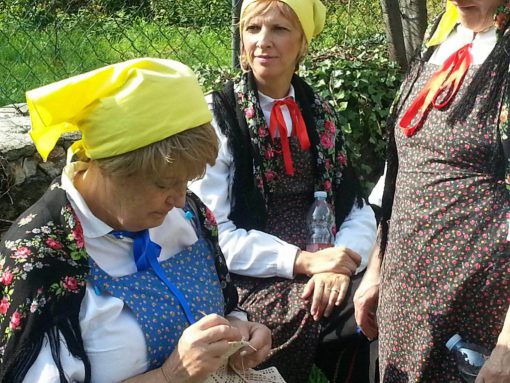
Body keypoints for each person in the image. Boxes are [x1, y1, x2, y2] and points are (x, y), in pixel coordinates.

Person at [0, 58, 272, 383]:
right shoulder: (41, 258)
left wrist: (239, 326)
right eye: (163, 183)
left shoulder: (188, 215)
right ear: (110, 167)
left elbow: (225, 306)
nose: (180, 200)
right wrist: (170, 375)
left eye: (186, 182)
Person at [189, 0, 377, 381]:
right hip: (253, 277)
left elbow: (355, 208)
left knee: (373, 301)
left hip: (322, 264)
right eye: (253, 29)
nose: (263, 42)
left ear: (303, 43)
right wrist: (304, 262)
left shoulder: (318, 112)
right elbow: (212, 234)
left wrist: (342, 263)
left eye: (279, 29)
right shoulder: (219, 116)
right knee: (357, 312)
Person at [354, 0, 510, 381]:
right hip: (406, 289)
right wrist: (377, 267)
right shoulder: (440, 37)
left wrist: (508, 345)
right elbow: (404, 167)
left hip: (478, 302)